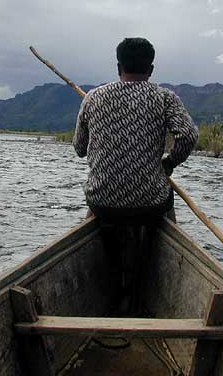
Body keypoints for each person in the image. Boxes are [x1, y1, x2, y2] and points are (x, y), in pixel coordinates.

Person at [72, 37, 198, 313]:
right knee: (164, 203)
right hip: (150, 205)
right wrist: (168, 164)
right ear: (151, 69)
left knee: (98, 213)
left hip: (103, 204)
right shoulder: (165, 97)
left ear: (119, 66)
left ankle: (107, 290)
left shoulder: (94, 97)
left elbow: (79, 149)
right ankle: (153, 285)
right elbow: (188, 136)